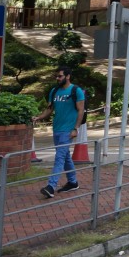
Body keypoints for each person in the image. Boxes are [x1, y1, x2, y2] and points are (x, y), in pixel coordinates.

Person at [33, 65, 85, 198]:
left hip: (68, 130)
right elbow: (49, 109)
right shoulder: (54, 91)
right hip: (56, 129)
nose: (57, 78)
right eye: (56, 76)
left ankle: (51, 186)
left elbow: (81, 110)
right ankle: (73, 182)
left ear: (68, 76)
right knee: (65, 156)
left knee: (60, 157)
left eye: (60, 76)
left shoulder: (76, 90)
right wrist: (39, 117)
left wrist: (75, 128)